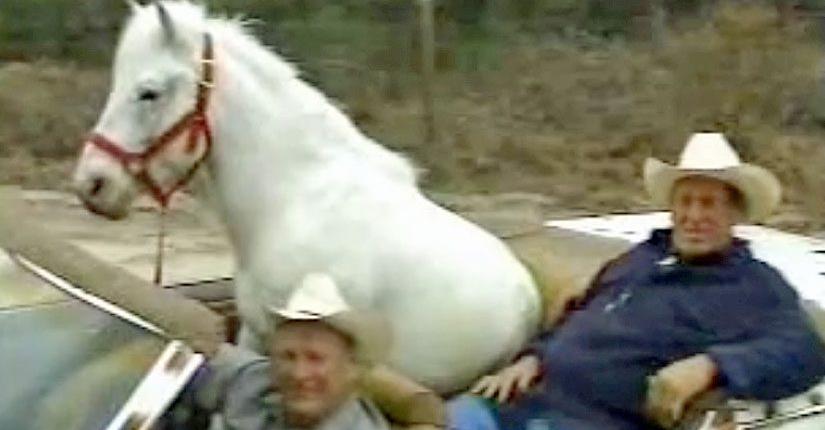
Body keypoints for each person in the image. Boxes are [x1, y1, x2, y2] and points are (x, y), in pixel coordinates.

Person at [451, 133, 825, 430]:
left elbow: (803, 350)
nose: (694, 216)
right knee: (438, 420)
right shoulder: (637, 259)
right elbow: (580, 317)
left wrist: (712, 365)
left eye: (709, 204)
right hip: (525, 397)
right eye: (686, 202)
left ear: (735, 214)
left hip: (593, 422)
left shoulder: (753, 285)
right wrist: (534, 358)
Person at [190, 272, 393, 430]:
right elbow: (206, 361)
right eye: (288, 356)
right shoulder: (254, 381)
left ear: (352, 369)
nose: (299, 373)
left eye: (316, 359)